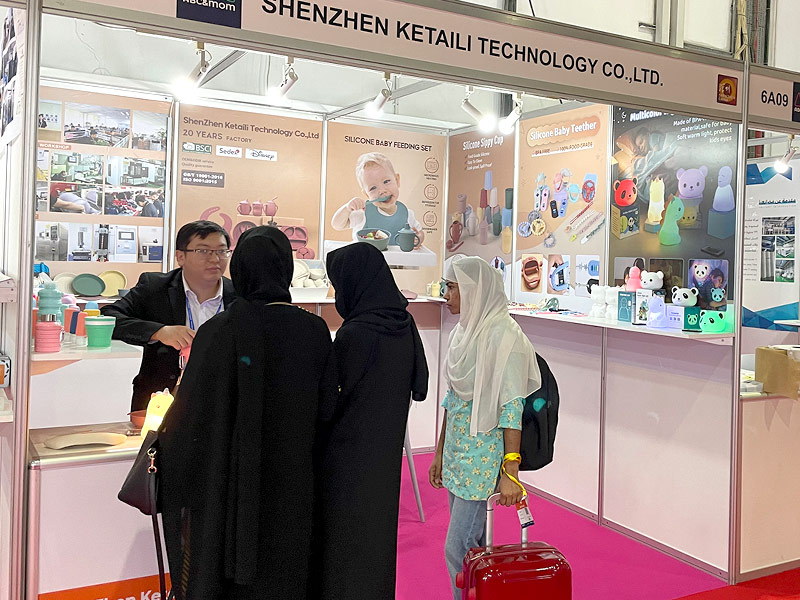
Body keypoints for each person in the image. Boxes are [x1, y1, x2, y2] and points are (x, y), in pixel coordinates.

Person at [158, 226, 338, 600]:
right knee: (286, 567)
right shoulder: (314, 329)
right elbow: (327, 408)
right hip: (292, 476)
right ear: (286, 267)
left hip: (226, 482)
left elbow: (189, 413)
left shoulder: (218, 330)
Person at [315, 242, 429, 600]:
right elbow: (421, 384)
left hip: (346, 453)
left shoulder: (356, 333)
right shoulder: (403, 322)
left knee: (343, 538)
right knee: (378, 533)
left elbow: (331, 397)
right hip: (386, 450)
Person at [428, 256, 541, 599]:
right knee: (472, 546)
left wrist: (511, 471)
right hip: (458, 454)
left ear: (473, 290)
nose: (446, 294)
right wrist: (439, 452)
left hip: (484, 458)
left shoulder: (505, 336)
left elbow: (512, 408)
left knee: (458, 547)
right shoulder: (464, 332)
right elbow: (452, 400)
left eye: (452, 287)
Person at [101, 220, 235, 411]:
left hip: (223, 399)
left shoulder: (240, 295)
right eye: (203, 251)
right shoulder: (155, 287)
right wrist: (159, 332)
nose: (215, 259)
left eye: (222, 251)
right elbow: (107, 318)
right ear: (180, 256)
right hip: (163, 398)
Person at [331, 152, 425, 247]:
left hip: (395, 257)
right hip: (365, 256)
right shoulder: (363, 212)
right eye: (373, 188)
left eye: (386, 181)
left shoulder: (407, 214)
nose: (382, 191)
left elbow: (419, 232)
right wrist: (347, 208)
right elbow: (337, 225)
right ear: (366, 194)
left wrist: (418, 239)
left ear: (397, 181)